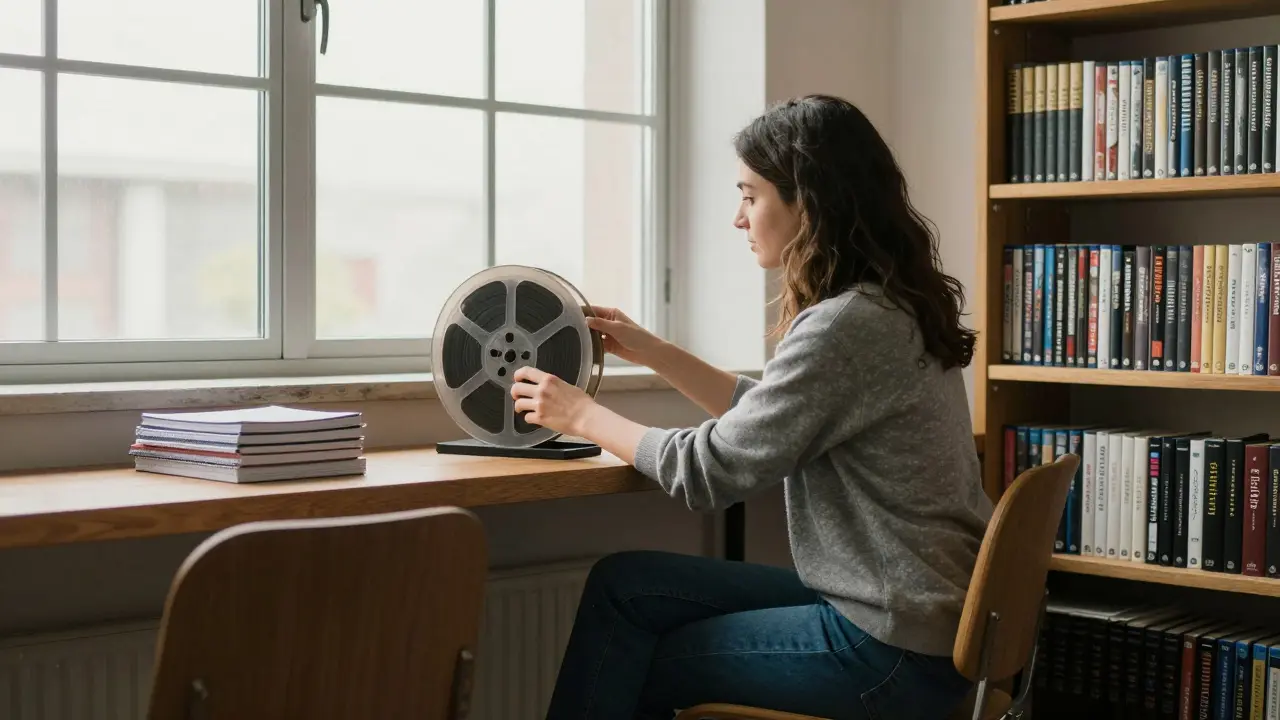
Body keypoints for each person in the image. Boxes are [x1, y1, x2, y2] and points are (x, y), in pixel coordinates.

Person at [509, 94, 994, 720]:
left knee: (642, 658)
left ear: (810, 203)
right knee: (623, 585)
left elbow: (708, 472)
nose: (738, 218)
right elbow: (771, 418)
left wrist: (581, 417)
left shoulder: (842, 328)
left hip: (889, 648)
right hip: (920, 620)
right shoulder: (886, 307)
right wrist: (655, 351)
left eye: (750, 194)